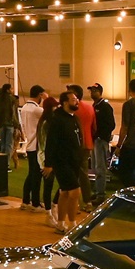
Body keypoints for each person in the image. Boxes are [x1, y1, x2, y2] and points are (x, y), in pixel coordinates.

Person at [45, 86, 87, 233]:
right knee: (75, 192)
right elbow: (51, 142)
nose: (77, 102)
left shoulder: (75, 118)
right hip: (61, 162)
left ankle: (61, 223)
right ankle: (73, 223)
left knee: (64, 193)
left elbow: (78, 139)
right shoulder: (57, 120)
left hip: (75, 161)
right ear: (64, 102)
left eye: (77, 99)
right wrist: (48, 164)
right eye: (73, 100)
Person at [18, 86, 45, 210]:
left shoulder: (24, 108)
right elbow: (51, 113)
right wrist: (47, 99)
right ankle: (35, 203)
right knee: (37, 175)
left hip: (29, 144)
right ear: (39, 95)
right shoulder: (36, 110)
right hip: (37, 145)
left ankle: (25, 200)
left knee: (31, 174)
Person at [88, 84, 114, 202]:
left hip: (100, 140)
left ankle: (101, 195)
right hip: (95, 140)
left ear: (100, 92)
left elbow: (111, 124)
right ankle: (98, 191)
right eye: (91, 91)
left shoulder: (105, 106)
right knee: (95, 167)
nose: (92, 93)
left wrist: (100, 135)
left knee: (100, 168)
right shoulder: (95, 105)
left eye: (94, 91)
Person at [0, 83, 18, 169]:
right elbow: (14, 114)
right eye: (11, 88)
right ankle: (6, 164)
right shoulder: (12, 99)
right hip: (9, 124)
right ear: (8, 90)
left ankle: (1, 163)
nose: (13, 90)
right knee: (9, 145)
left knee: (3, 144)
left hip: (0, 123)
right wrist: (17, 126)